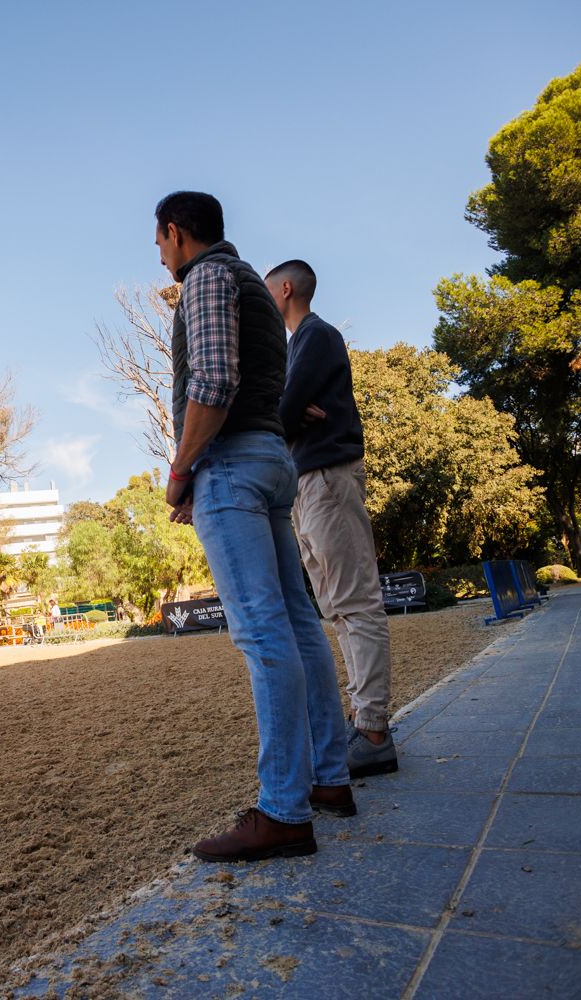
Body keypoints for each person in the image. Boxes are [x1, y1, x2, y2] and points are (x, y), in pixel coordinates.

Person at [154, 191, 351, 863]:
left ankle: (284, 810)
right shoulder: (255, 290)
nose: (159, 253)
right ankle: (329, 778)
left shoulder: (206, 277)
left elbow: (211, 382)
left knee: (265, 631)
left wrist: (182, 469)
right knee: (298, 623)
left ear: (176, 233)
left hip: (234, 464)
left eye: (159, 241)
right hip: (268, 459)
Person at [265, 258, 396, 780]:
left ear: (288, 288)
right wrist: (291, 410)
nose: (265, 300)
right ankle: (364, 718)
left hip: (326, 480)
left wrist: (290, 410)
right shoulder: (299, 345)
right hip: (309, 483)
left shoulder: (317, 336)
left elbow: (281, 413)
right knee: (338, 607)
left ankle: (374, 731)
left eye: (269, 290)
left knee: (355, 603)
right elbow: (287, 408)